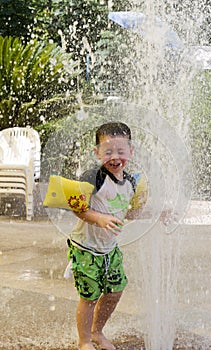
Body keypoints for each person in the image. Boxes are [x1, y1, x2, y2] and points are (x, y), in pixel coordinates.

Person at [67, 122, 138, 350]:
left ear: (131, 151)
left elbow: (132, 212)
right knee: (89, 296)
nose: (114, 157)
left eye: (120, 151)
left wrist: (160, 213)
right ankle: (84, 340)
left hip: (109, 248)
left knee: (115, 291)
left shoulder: (131, 182)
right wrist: (99, 218)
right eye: (108, 152)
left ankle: (97, 332)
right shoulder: (93, 178)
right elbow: (77, 207)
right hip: (85, 247)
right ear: (97, 153)